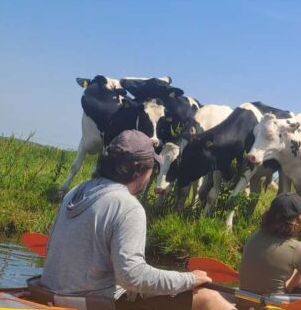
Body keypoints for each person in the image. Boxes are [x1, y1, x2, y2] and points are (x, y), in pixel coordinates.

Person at [41, 130, 234, 310]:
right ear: (140, 169)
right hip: (94, 303)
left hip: (51, 295)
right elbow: (131, 276)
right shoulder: (128, 206)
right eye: (152, 167)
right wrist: (190, 279)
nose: (152, 174)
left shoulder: (77, 191)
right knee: (207, 297)